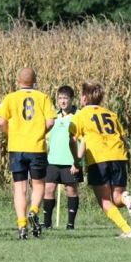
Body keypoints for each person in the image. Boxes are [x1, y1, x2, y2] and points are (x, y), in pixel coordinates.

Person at [69, 81, 131, 238]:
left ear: (85, 98)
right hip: (118, 156)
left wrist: (76, 160)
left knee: (105, 201)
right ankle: (126, 199)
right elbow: (123, 138)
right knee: (116, 197)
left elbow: (72, 139)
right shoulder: (111, 114)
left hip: (99, 159)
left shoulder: (81, 115)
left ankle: (127, 230)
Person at [0, 68, 56, 239]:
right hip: (36, 147)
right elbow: (50, 122)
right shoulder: (42, 97)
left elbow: (0, 122)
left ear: (18, 81)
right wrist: (39, 132)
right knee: (38, 185)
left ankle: (22, 225)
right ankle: (34, 210)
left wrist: (11, 133)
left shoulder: (10, 98)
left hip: (17, 148)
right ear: (35, 81)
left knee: (19, 188)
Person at [43, 86, 83, 229]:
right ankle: (47, 223)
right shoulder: (53, 116)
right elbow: (46, 138)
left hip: (70, 161)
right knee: (48, 189)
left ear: (72, 99)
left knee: (71, 190)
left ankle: (70, 224)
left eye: (65, 98)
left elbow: (83, 140)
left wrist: (77, 162)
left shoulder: (79, 115)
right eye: (60, 98)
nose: (63, 101)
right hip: (52, 160)